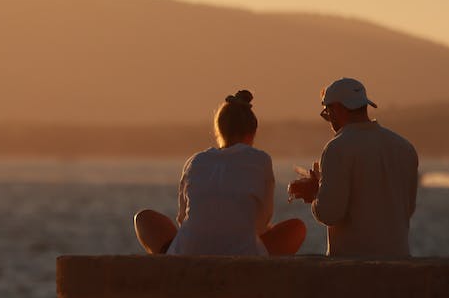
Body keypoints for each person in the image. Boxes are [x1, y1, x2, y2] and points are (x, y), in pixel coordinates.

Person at [134, 90, 306, 256]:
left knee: (143, 218)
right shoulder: (260, 159)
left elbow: (182, 218)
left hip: (189, 251)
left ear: (218, 131)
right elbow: (263, 220)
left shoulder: (196, 161)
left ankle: (171, 260)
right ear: (252, 133)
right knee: (297, 229)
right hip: (244, 255)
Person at [288, 77, 418, 257]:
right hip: (400, 260)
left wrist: (315, 194)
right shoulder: (404, 147)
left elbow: (330, 213)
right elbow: (407, 208)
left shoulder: (337, 148)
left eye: (327, 112)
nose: (329, 120)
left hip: (355, 266)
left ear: (338, 109)